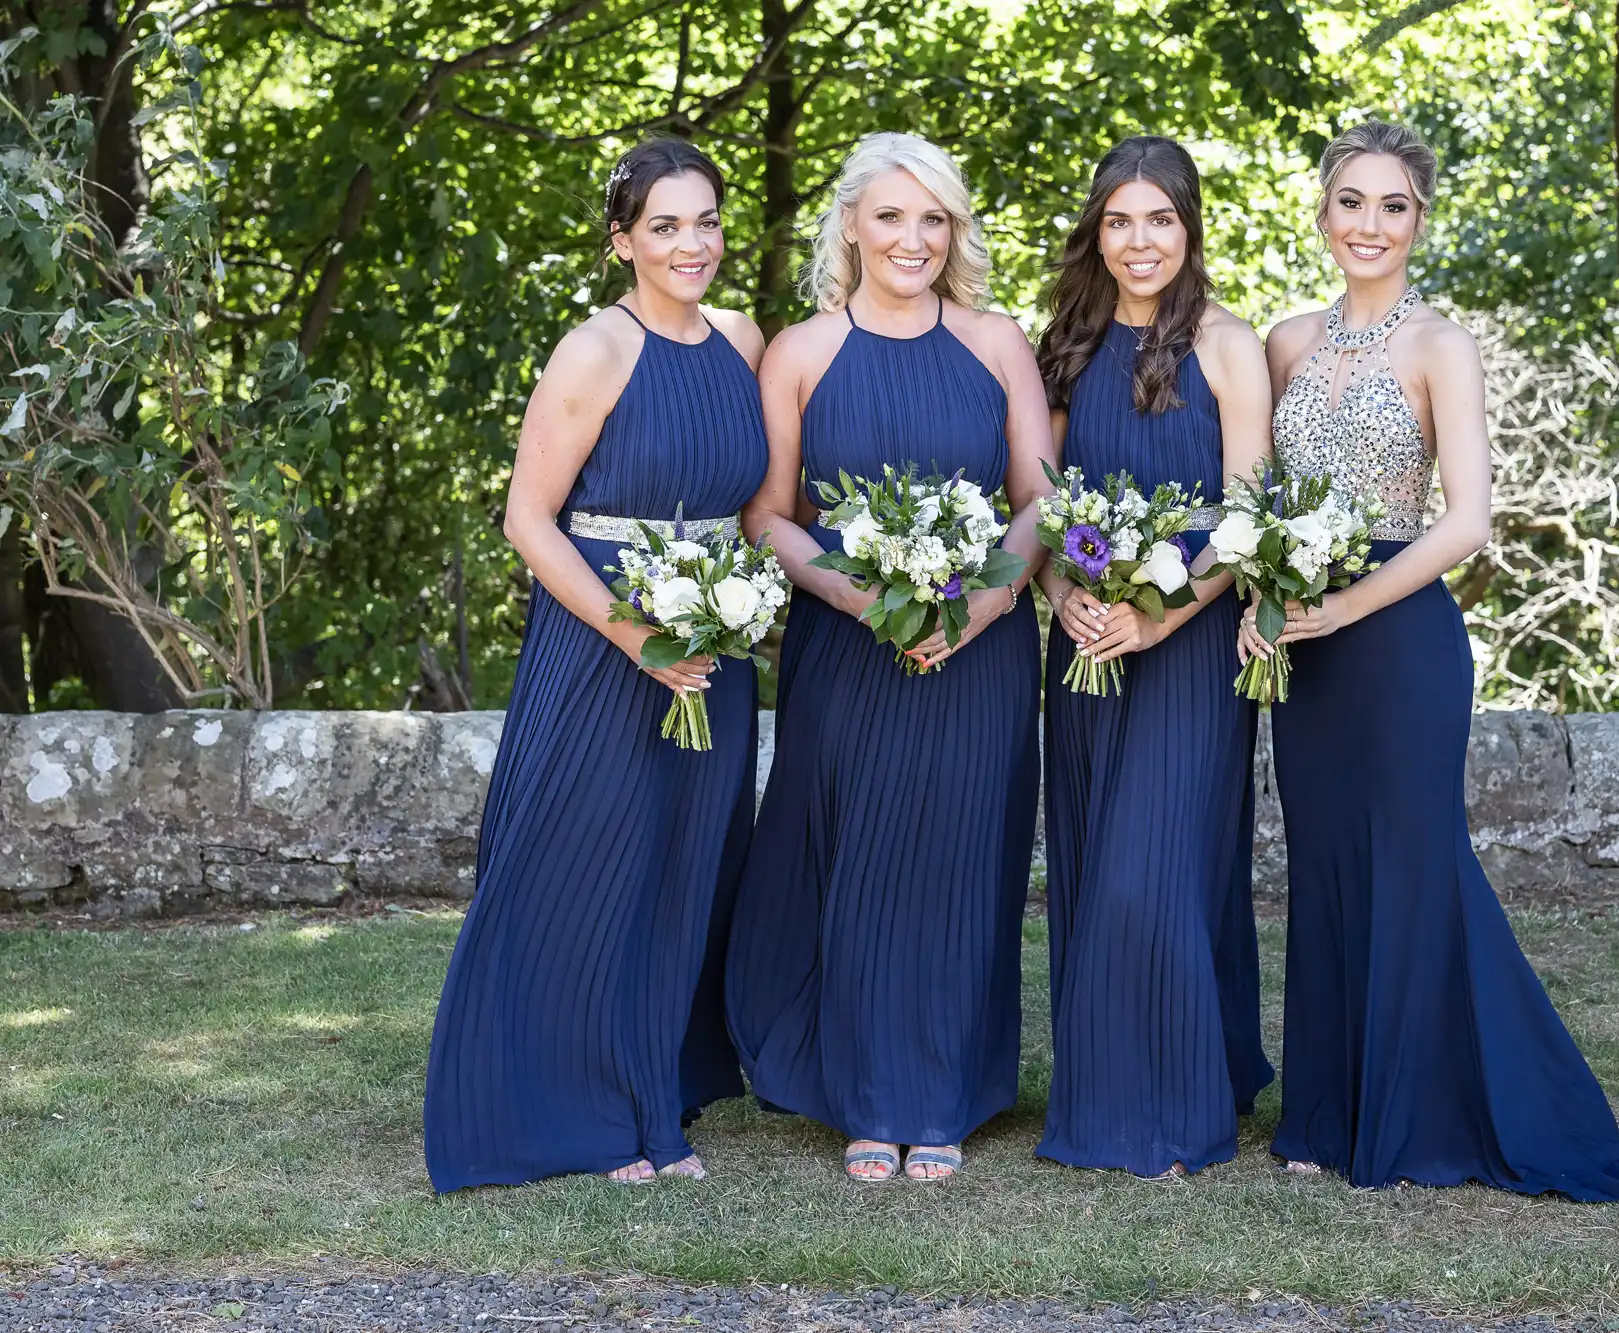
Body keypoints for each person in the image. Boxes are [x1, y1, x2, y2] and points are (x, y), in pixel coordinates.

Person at [1248, 119, 1619, 1199]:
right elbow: (1261, 501)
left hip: (1398, 632)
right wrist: (1276, 600)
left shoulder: (1439, 346)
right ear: (1320, 213)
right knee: (1323, 858)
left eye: (1392, 206)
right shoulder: (1284, 341)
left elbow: (1466, 523)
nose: (1367, 224)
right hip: (1303, 642)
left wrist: (1339, 607)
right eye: (1350, 202)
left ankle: (1420, 1115)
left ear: (1418, 222)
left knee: (1410, 857)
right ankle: (1325, 1111)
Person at [424, 138, 767, 1191]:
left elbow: (753, 508)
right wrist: (635, 634)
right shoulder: (594, 352)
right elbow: (529, 519)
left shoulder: (744, 339)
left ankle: (651, 1092)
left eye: (704, 220)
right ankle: (569, 1103)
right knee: (590, 865)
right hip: (605, 643)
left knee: (685, 868)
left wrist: (735, 608)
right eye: (663, 225)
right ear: (622, 239)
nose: (690, 242)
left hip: (714, 642)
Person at [725, 133, 1055, 1183]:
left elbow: (1039, 499)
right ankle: (871, 1096)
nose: (912, 238)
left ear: (952, 230)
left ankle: (944, 1092)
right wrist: (852, 594)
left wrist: (981, 608)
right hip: (848, 643)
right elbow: (769, 516)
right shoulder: (800, 350)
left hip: (980, 648)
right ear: (851, 227)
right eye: (891, 217)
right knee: (858, 857)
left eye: (933, 219)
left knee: (964, 856)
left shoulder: (998, 342)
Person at [1033, 136, 1273, 1178]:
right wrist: (1062, 593)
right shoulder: (1067, 347)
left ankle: (1173, 1115)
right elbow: (1035, 509)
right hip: (1085, 641)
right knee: (1093, 865)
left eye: (1159, 220)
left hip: (1188, 648)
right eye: (1119, 220)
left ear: (1189, 226)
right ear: (1097, 230)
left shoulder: (1227, 342)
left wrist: (1162, 616)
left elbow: (1248, 510)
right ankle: (1109, 1089)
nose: (1139, 241)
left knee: (1157, 870)